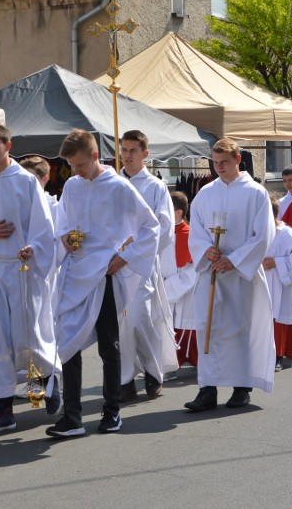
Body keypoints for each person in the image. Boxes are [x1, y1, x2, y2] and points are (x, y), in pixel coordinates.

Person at [47, 129, 159, 438]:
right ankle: (72, 417)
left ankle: (112, 412)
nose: (75, 171)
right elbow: (64, 222)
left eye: (80, 164)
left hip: (105, 274)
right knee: (68, 343)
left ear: (96, 156)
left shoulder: (119, 188)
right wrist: (65, 238)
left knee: (109, 344)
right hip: (75, 273)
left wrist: (126, 257)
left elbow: (151, 226)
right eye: (71, 165)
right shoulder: (71, 185)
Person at [0, 123, 59, 435]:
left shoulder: (26, 183)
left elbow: (44, 226)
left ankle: (50, 379)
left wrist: (33, 247)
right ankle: (3, 409)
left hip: (23, 268)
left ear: (8, 144)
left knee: (27, 332)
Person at [184, 138, 276, 412]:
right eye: (215, 162)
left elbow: (263, 235)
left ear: (238, 160)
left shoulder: (256, 193)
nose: (219, 167)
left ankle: (241, 388)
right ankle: (207, 389)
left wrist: (234, 260)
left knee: (239, 329)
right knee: (208, 328)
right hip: (211, 271)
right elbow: (196, 229)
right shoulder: (205, 193)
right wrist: (205, 251)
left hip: (240, 276)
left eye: (224, 162)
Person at [118, 130, 177, 401]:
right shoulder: (112, 182)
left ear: (145, 154)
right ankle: (125, 378)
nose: (127, 155)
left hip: (141, 264)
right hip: (115, 265)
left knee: (140, 318)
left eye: (133, 151)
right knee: (120, 323)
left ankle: (153, 371)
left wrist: (138, 247)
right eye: (124, 150)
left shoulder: (155, 186)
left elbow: (165, 227)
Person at [263, 195, 292, 372]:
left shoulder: (287, 234)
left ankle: (277, 356)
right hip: (261, 282)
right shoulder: (257, 231)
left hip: (280, 284)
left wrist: (277, 262)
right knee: (261, 320)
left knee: (278, 320)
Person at [161, 191, 199, 374]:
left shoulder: (190, 234)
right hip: (165, 285)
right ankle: (169, 365)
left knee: (186, 325)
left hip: (184, 289)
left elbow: (192, 268)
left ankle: (194, 360)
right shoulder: (162, 232)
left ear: (179, 212)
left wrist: (171, 286)